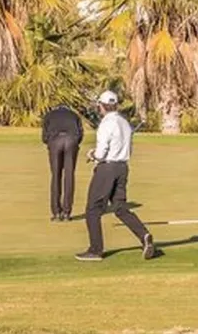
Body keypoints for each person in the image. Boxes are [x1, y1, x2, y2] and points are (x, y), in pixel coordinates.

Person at [78, 90, 158, 262]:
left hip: (107, 168)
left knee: (92, 210)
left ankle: (95, 250)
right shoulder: (124, 122)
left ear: (101, 106)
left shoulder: (106, 124)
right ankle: (144, 235)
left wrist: (92, 155)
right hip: (122, 167)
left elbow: (101, 152)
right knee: (120, 207)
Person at [41, 103, 84, 221]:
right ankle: (67, 212)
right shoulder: (74, 115)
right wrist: (74, 143)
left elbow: (44, 137)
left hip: (55, 141)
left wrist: (50, 142)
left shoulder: (49, 115)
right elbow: (80, 135)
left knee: (56, 176)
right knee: (69, 176)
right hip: (71, 141)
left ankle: (56, 213)